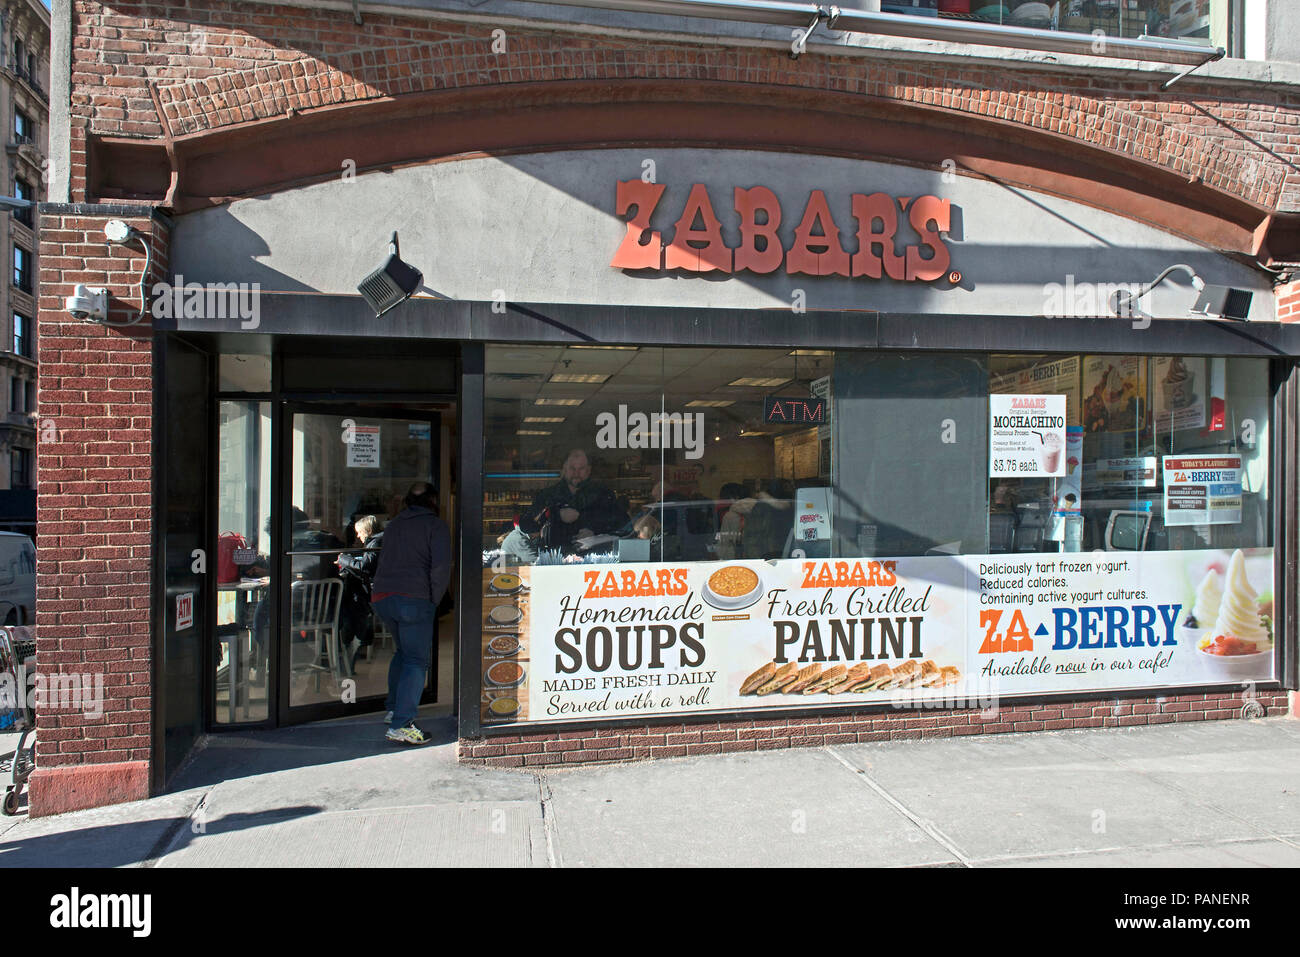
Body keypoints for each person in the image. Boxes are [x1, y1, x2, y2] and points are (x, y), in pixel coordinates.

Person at [370, 482, 452, 745]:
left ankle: (394, 708)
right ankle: (402, 724)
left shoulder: (393, 525)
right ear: (433, 501)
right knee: (416, 660)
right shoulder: (435, 526)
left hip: (384, 597)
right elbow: (440, 568)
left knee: (403, 653)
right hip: (414, 598)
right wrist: (434, 600)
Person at [518, 449, 623, 553]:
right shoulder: (548, 495)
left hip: (596, 560)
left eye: (581, 468)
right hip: (555, 561)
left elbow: (623, 528)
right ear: (564, 469)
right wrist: (555, 514)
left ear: (588, 470)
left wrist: (596, 535)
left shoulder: (603, 495)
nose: (576, 473)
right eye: (572, 468)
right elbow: (526, 525)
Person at [336, 514, 384, 671]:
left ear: (367, 530)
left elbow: (365, 566)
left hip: (376, 592)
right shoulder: (378, 541)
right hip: (379, 589)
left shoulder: (376, 542)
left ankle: (353, 643)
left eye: (359, 532)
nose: (357, 536)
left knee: (353, 606)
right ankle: (353, 645)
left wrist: (344, 559)